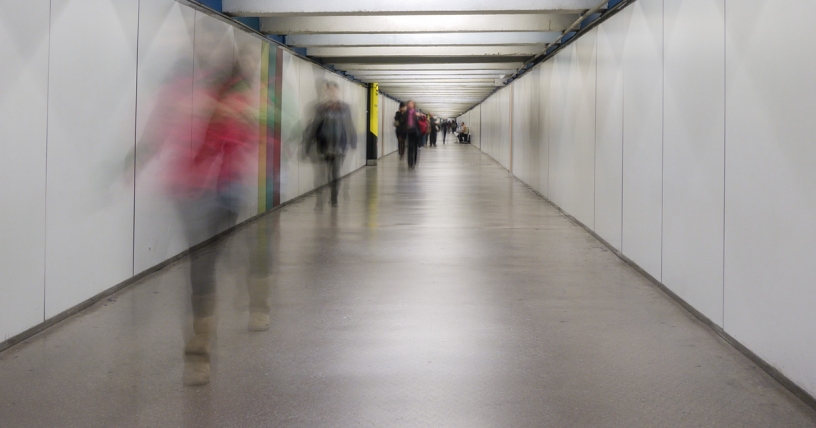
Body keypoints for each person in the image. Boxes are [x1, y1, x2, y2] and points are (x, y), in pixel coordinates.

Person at [303, 81, 357, 206]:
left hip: (340, 145)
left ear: (338, 91)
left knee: (335, 173)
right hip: (324, 145)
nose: (332, 92)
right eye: (329, 90)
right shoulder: (320, 108)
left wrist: (353, 139)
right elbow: (314, 126)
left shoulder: (345, 107)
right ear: (326, 92)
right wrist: (307, 146)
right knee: (321, 173)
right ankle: (319, 200)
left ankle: (334, 198)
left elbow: (349, 124)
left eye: (334, 90)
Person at [404, 101, 421, 168]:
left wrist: (419, 116)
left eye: (412, 103)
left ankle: (414, 161)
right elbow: (403, 121)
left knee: (415, 147)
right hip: (409, 131)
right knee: (410, 147)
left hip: (415, 132)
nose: (410, 105)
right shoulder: (406, 113)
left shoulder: (417, 112)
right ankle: (410, 162)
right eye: (409, 103)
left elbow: (422, 121)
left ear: (414, 105)